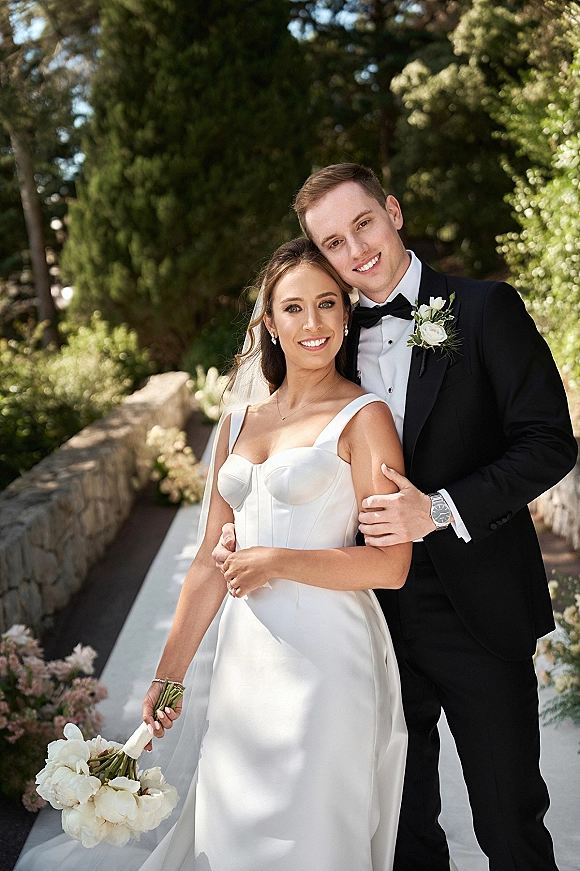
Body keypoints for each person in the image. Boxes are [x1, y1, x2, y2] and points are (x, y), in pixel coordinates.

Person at [215, 164, 578, 871]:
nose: (356, 250)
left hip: (479, 606)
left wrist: (441, 508)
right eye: (334, 241)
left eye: (363, 224)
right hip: (364, 613)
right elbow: (293, 442)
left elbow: (550, 442)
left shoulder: (481, 310)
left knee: (508, 818)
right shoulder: (329, 332)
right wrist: (251, 522)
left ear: (394, 211)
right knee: (399, 823)